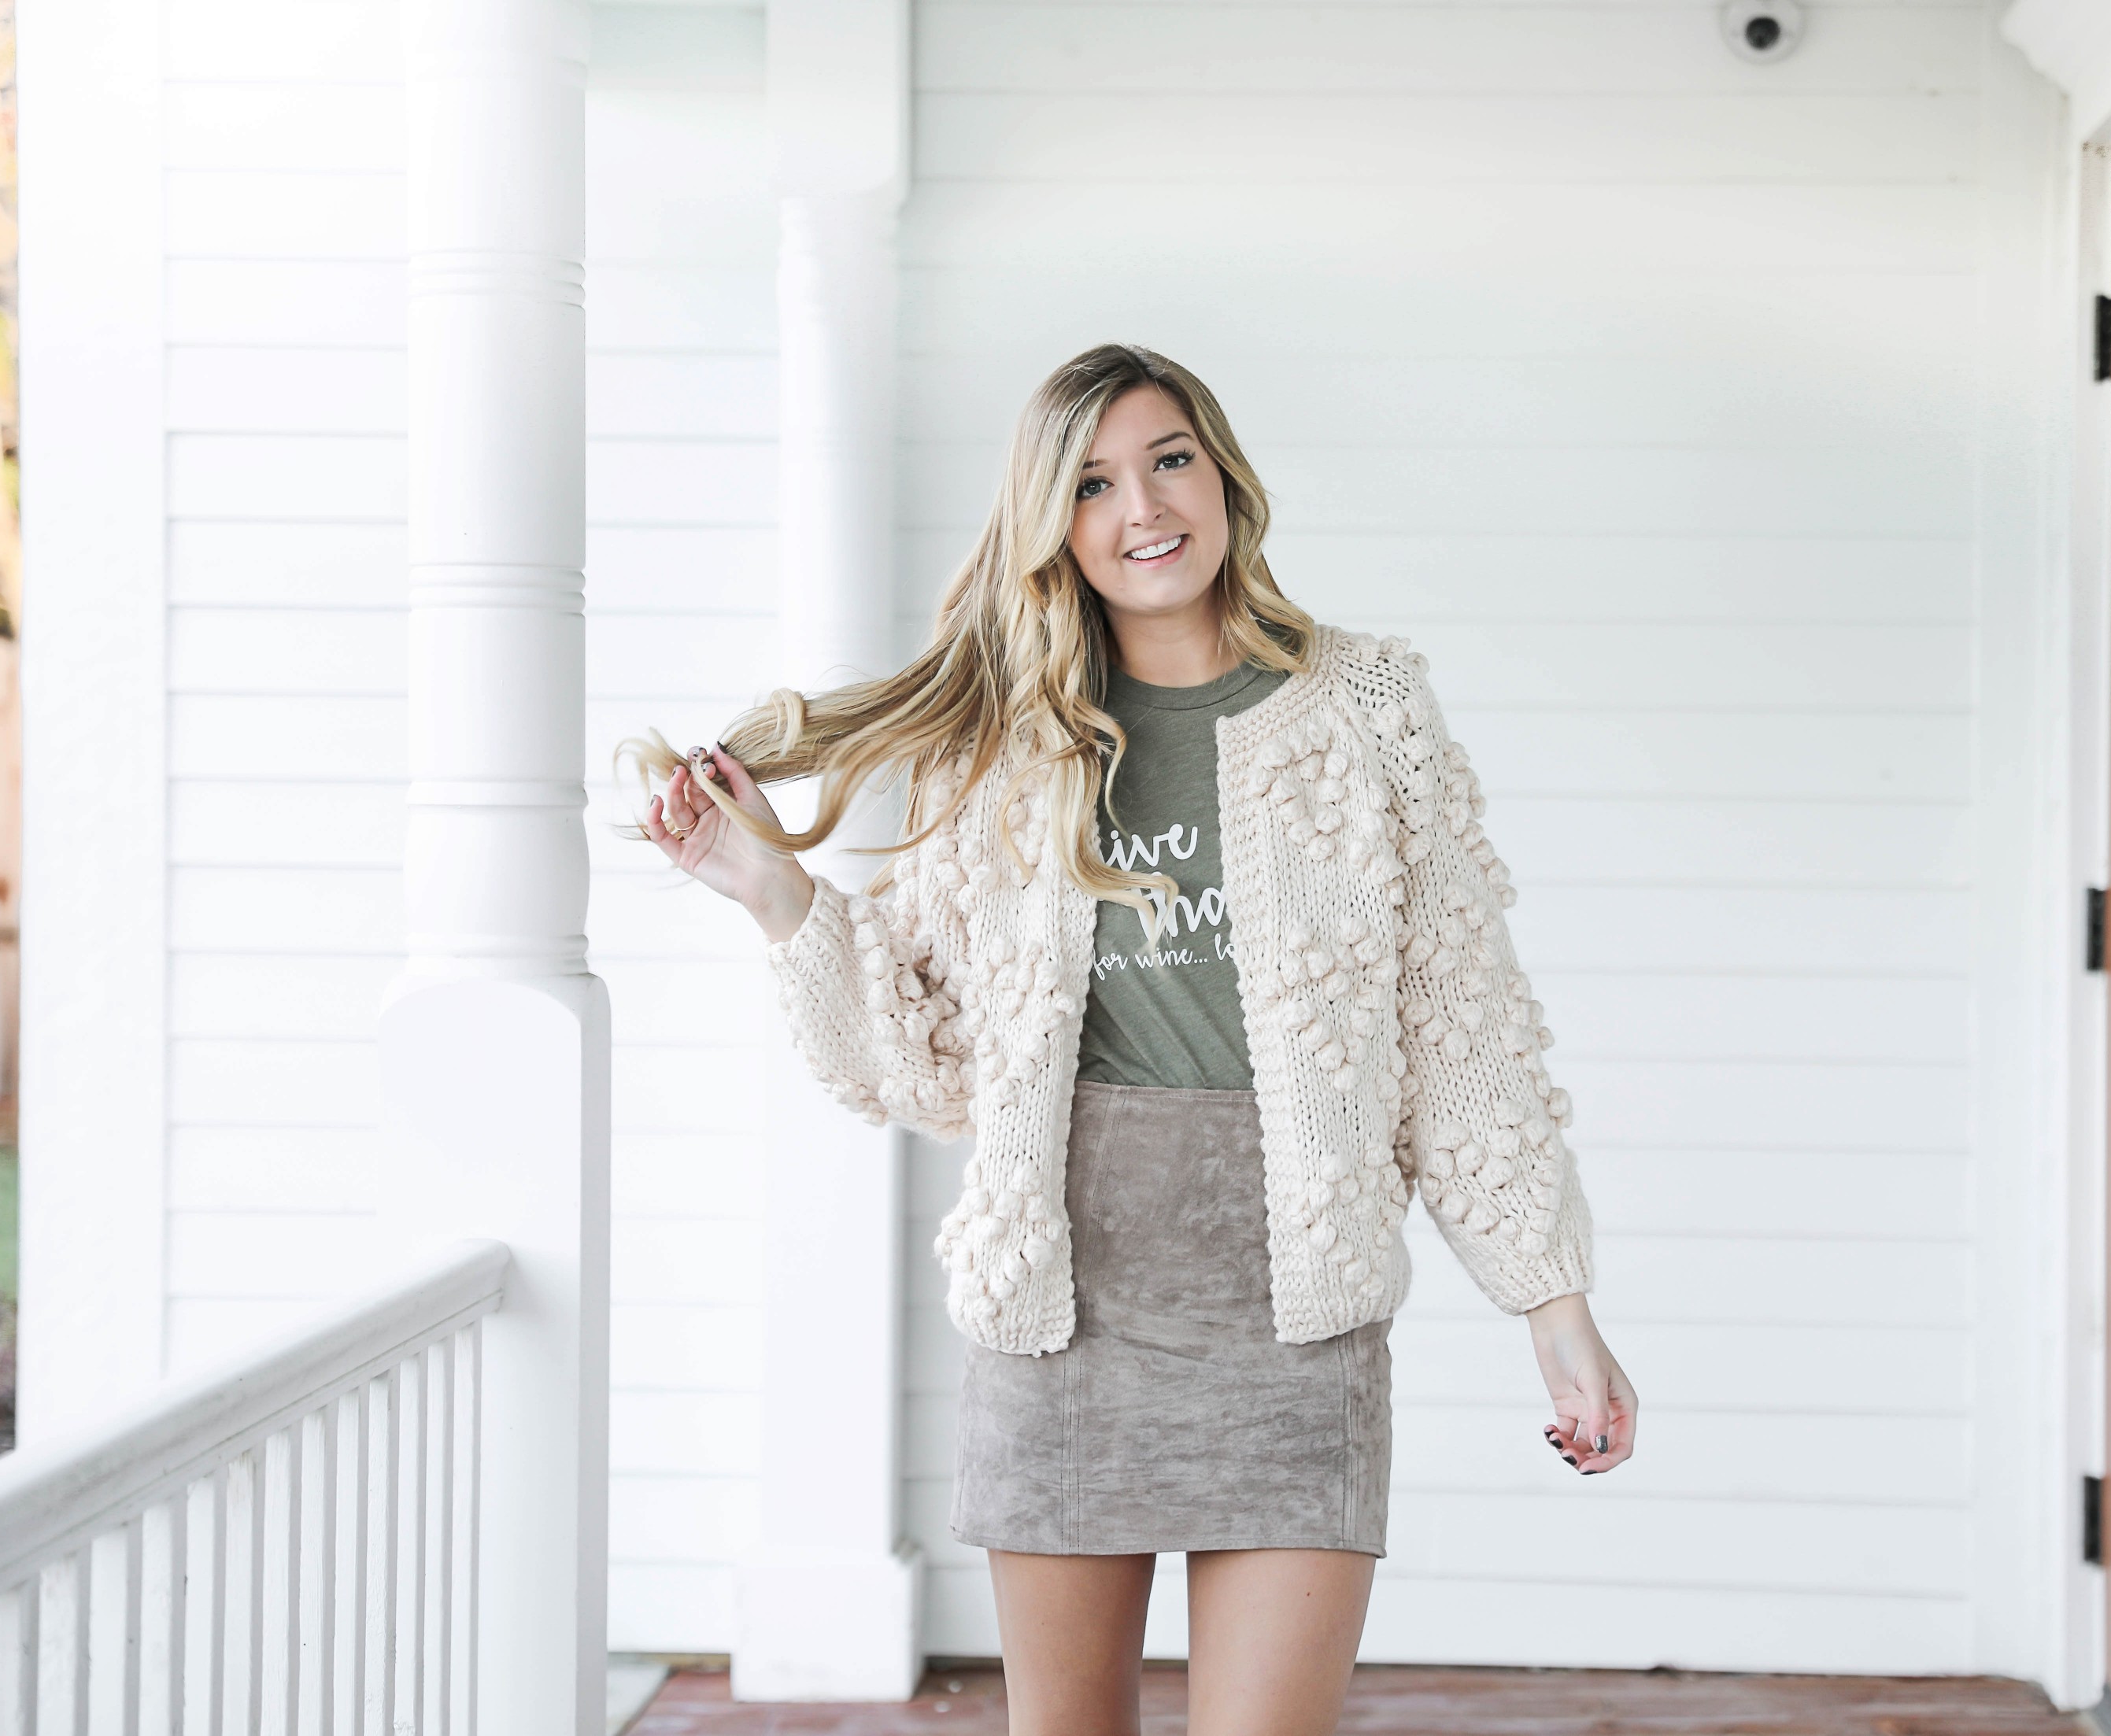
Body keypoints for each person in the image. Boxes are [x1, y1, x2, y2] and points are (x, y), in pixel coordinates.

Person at [635, 343, 1636, 1736]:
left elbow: (1458, 1021)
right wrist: (775, 893)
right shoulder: (1001, 740)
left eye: (1169, 458)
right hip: (1063, 1321)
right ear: (1056, 526)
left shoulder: (1369, 709)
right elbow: (918, 1058)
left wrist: (1556, 1307)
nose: (1143, 505)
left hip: (1300, 1321)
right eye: (1094, 482)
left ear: (1222, 473)